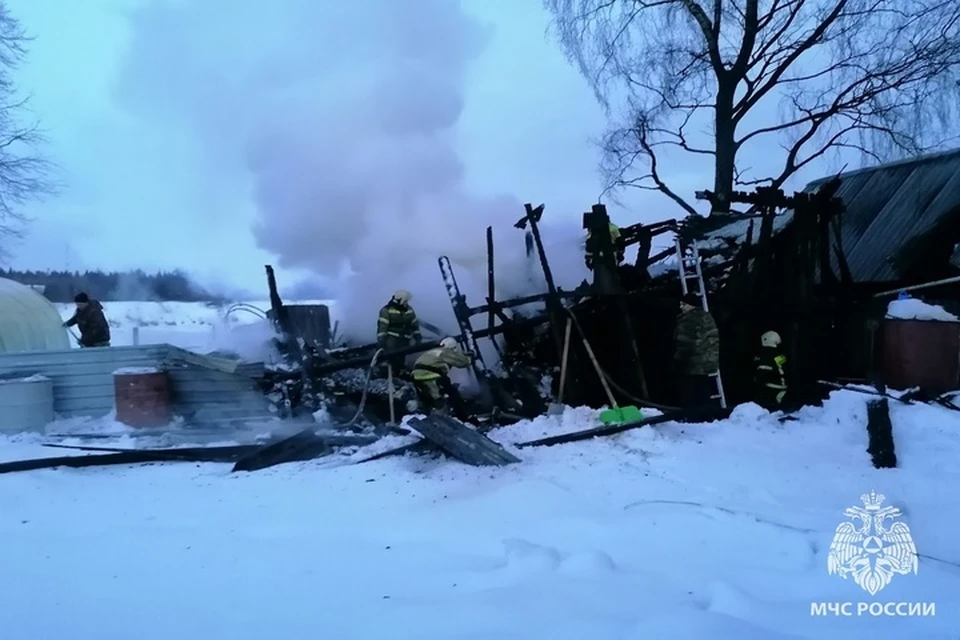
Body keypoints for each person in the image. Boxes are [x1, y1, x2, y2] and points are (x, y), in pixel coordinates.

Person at [673, 292, 720, 408]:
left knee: (690, 391)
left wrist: (678, 360)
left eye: (683, 304)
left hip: (693, 363)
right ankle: (706, 414)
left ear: (690, 305)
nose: (681, 307)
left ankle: (692, 416)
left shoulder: (689, 320)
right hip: (708, 360)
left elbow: (685, 343)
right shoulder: (707, 316)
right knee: (704, 389)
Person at [411, 337, 473, 417]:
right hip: (430, 375)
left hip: (416, 376)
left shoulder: (432, 352)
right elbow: (462, 362)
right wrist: (469, 358)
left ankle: (429, 417)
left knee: (429, 399)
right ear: (453, 348)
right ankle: (462, 417)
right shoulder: (445, 352)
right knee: (451, 395)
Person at [376, 289, 422, 373]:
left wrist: (418, 338)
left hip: (405, 338)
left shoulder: (409, 309)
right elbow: (382, 328)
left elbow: (414, 324)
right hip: (392, 339)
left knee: (401, 356)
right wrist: (381, 343)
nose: (406, 303)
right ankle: (387, 370)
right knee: (391, 355)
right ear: (399, 300)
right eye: (405, 301)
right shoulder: (386, 311)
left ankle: (399, 370)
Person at [754, 330, 788, 409]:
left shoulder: (766, 356)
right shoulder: (781, 355)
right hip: (784, 387)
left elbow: (762, 375)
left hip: (772, 389)